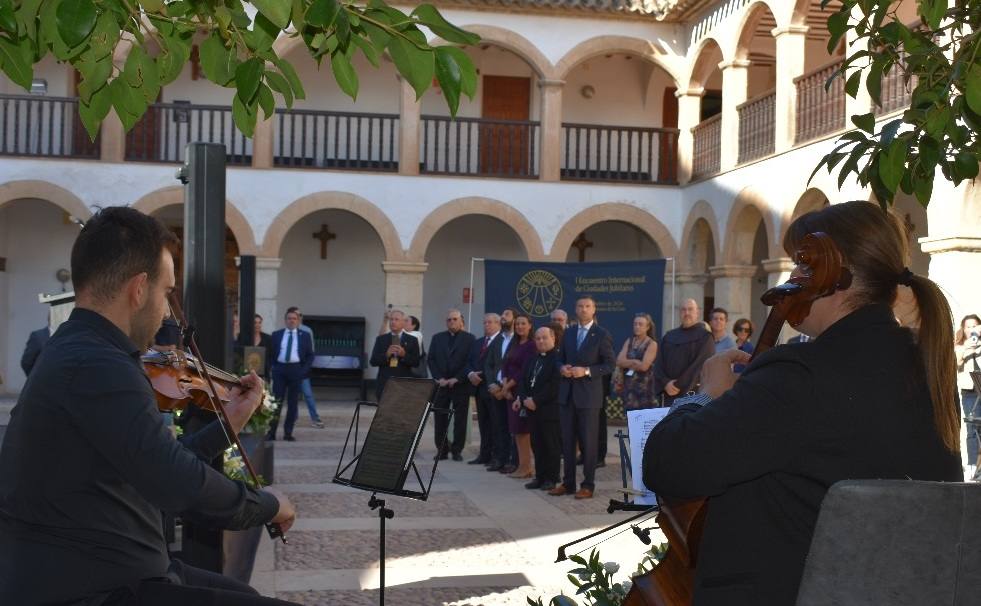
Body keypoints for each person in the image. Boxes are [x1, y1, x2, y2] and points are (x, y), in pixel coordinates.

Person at [643, 201, 962, 605]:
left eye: (801, 262)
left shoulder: (798, 376)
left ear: (832, 272)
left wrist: (705, 394)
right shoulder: (927, 369)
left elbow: (668, 464)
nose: (793, 278)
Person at [0, 206, 297, 605]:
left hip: (126, 572)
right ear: (139, 289)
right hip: (90, 590)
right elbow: (178, 484)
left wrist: (231, 421)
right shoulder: (96, 364)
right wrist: (267, 505)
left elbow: (157, 459)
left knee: (242, 592)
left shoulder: (86, 350)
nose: (166, 308)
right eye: (167, 292)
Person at [550, 296, 615, 500]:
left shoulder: (601, 334)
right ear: (575, 310)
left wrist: (586, 371)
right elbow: (559, 358)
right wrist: (562, 367)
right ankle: (567, 482)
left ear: (594, 310)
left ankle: (588, 485)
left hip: (589, 397)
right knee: (567, 442)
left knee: (588, 443)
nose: (583, 309)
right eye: (580, 306)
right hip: (568, 395)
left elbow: (609, 365)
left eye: (588, 306)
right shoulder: (568, 333)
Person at [428, 309, 476, 461]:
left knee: (460, 419)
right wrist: (439, 378)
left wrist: (457, 378)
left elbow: (470, 362)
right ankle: (441, 450)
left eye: (455, 319)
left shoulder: (470, 339)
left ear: (461, 321)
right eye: (449, 320)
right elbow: (431, 360)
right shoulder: (437, 338)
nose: (452, 322)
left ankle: (457, 450)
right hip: (441, 385)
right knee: (440, 418)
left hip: (460, 385)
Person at [518, 325, 562, 491]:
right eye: (538, 338)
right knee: (536, 445)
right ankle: (540, 476)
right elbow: (523, 380)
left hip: (549, 410)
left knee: (551, 445)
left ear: (553, 338)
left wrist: (535, 400)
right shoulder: (532, 358)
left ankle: (551, 478)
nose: (541, 341)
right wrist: (524, 399)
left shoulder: (557, 359)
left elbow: (554, 385)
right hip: (531, 409)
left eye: (545, 337)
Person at [651, 298, 714, 406]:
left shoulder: (705, 337)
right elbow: (659, 363)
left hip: (693, 393)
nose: (687, 313)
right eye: (683, 310)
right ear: (679, 313)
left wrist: (678, 385)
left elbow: (699, 366)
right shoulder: (669, 336)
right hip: (669, 394)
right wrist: (665, 383)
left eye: (690, 309)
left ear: (697, 313)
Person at [267, 309, 315, 442]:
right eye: (289, 318)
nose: (292, 321)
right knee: (276, 403)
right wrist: (273, 367)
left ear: (298, 320)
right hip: (280, 370)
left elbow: (310, 355)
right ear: (285, 320)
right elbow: (270, 354)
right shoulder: (276, 335)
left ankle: (288, 433)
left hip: (296, 370)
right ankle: (272, 432)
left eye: (294, 318)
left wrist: (303, 371)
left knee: (293, 403)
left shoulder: (304, 335)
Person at [501, 313, 537, 479]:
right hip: (509, 391)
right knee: (516, 430)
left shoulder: (531, 345)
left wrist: (508, 387)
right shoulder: (514, 344)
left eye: (523, 324)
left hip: (521, 390)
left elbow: (525, 370)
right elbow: (506, 365)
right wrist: (505, 386)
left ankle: (527, 467)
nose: (520, 327)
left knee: (524, 430)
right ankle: (522, 466)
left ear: (530, 325)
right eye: (518, 324)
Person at [466, 313, 501, 466]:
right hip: (479, 389)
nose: (486, 325)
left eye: (490, 322)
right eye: (484, 322)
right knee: (483, 424)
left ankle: (496, 455)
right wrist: (471, 374)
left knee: (496, 423)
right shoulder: (478, 342)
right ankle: (484, 454)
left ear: (498, 324)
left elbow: (500, 365)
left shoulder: (502, 341)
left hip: (493, 388)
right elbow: (468, 361)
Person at [484, 308, 517, 473]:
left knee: (514, 428)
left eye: (507, 315)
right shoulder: (497, 340)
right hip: (495, 389)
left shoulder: (519, 340)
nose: (503, 318)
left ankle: (514, 460)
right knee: (498, 426)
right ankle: (500, 459)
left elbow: (519, 367)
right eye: (502, 315)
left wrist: (506, 387)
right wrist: (491, 384)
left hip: (511, 389)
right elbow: (488, 364)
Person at [369, 309, 420, 400]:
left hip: (404, 384)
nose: (393, 322)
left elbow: (416, 362)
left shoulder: (412, 340)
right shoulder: (381, 339)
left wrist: (404, 355)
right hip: (385, 384)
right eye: (391, 319)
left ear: (403, 323)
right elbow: (373, 361)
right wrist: (386, 355)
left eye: (396, 319)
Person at [614, 313, 658, 411]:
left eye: (640, 324)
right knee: (629, 420)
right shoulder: (629, 341)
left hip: (645, 391)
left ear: (647, 327)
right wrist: (635, 362)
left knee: (643, 422)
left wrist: (628, 362)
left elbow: (644, 366)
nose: (637, 326)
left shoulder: (652, 344)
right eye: (635, 324)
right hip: (628, 389)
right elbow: (619, 361)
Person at [956, 313, 981, 474]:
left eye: (974, 326)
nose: (971, 330)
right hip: (970, 392)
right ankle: (972, 464)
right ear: (963, 329)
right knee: (972, 429)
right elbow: (956, 363)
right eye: (968, 327)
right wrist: (967, 348)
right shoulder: (959, 346)